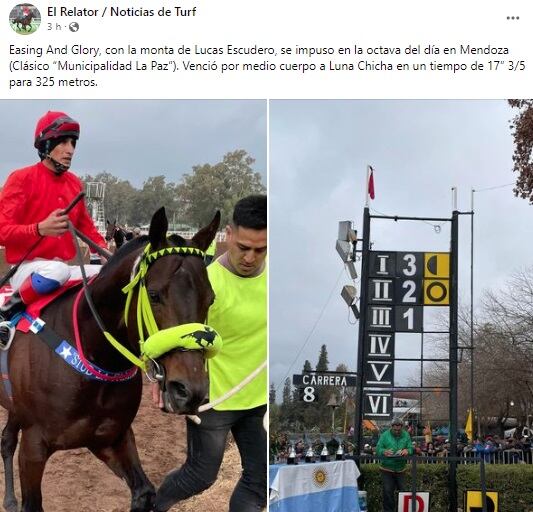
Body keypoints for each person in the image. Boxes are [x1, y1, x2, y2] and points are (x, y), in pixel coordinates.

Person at [154, 194, 267, 512]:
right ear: (228, 234)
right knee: (200, 477)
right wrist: (159, 378)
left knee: (258, 484)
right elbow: (173, 336)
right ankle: (153, 504)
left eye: (261, 250)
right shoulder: (203, 283)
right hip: (214, 400)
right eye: (243, 247)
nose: (250, 257)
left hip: (257, 401)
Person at [0, 111, 107, 346]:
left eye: (73, 143)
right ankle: (6, 312)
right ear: (46, 145)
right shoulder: (20, 178)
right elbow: (2, 230)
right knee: (56, 270)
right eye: (63, 142)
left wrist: (108, 252)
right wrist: (39, 229)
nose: (70, 149)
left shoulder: (74, 183)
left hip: (64, 271)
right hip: (28, 270)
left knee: (109, 275)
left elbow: (87, 229)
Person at [376, 417, 413, 512]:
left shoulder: (406, 435)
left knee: (403, 491)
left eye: (399, 428)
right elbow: (378, 449)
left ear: (402, 427)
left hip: (401, 469)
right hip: (386, 468)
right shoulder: (384, 435)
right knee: (388, 492)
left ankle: (402, 510)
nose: (397, 430)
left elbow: (410, 448)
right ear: (391, 427)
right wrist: (384, 451)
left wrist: (407, 450)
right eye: (395, 428)